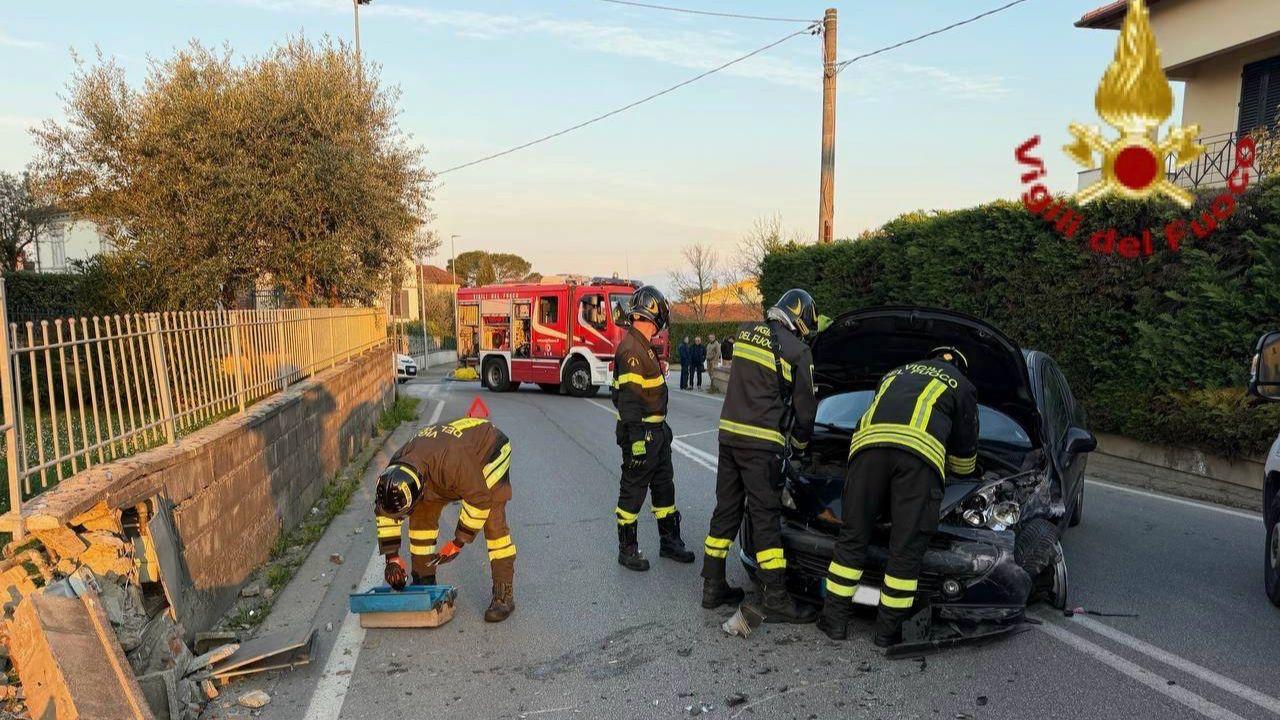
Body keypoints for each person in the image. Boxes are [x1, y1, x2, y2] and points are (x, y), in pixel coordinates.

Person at [817, 347, 980, 646]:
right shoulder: (960, 383)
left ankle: (834, 620)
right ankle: (887, 632)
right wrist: (963, 473)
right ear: (960, 365)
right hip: (917, 462)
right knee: (905, 549)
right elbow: (964, 449)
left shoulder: (895, 372)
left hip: (866, 452)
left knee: (853, 537)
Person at [701, 289, 819, 623]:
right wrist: (797, 449)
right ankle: (776, 598)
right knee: (765, 517)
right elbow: (805, 412)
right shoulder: (798, 350)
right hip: (761, 444)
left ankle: (712, 587)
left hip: (729, 437)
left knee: (726, 509)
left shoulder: (745, 333)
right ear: (801, 320)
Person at [374, 416, 517, 622]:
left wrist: (458, 542)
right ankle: (424, 581)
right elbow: (386, 513)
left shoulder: (452, 461)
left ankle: (504, 595)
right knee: (421, 516)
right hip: (439, 465)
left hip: (488, 451)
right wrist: (392, 558)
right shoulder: (396, 470)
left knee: (494, 523)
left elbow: (479, 501)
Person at [612, 286, 696, 571]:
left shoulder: (642, 345)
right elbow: (629, 402)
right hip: (642, 435)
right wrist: (637, 442)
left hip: (657, 433)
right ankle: (628, 549)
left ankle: (670, 542)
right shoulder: (632, 350)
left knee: (664, 489)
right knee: (633, 491)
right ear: (654, 313)